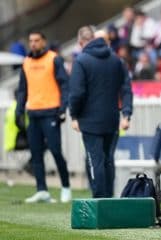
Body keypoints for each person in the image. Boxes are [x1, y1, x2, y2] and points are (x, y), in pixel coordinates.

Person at [69, 26, 133, 198]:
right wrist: (126, 114)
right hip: (112, 119)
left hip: (89, 121)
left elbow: (77, 93)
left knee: (94, 160)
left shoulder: (81, 61)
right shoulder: (117, 60)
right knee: (108, 160)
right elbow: (126, 89)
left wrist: (74, 115)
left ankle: (99, 200)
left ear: (81, 42)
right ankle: (109, 198)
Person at [15, 31, 71, 203]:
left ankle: (66, 187)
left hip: (51, 113)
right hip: (33, 113)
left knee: (55, 151)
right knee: (36, 153)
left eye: (36, 40)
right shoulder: (26, 62)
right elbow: (23, 89)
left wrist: (62, 109)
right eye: (30, 41)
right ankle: (42, 190)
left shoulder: (54, 59)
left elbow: (65, 85)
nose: (33, 44)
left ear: (43, 42)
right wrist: (19, 110)